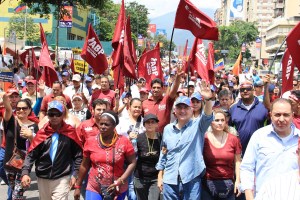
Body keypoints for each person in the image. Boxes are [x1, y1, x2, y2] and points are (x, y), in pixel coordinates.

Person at [156, 81, 214, 199]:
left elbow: (207, 116)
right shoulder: (167, 129)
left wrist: (208, 100)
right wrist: (160, 176)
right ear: (174, 111)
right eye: (179, 108)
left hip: (191, 177)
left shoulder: (198, 126)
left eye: (186, 108)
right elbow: (164, 153)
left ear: (191, 110)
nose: (182, 111)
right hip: (170, 179)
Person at [21, 100, 83, 200]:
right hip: (43, 177)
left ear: (63, 115)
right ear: (48, 115)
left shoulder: (70, 132)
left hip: (62, 177)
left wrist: (75, 174)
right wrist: (25, 173)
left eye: (57, 114)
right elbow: (31, 154)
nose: (54, 117)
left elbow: (78, 155)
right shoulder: (42, 133)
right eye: (51, 114)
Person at [239, 98, 300, 198]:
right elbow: (247, 168)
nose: (281, 119)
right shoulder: (259, 136)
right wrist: (249, 196)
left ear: (292, 116)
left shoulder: (299, 140)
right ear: (271, 115)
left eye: (286, 115)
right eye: (277, 115)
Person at [74, 111, 137, 200]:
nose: (103, 127)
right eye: (101, 124)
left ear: (114, 126)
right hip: (94, 187)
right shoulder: (91, 141)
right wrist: (78, 186)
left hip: (117, 188)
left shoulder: (124, 141)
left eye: (106, 125)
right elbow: (84, 165)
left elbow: (133, 162)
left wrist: (121, 180)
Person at [2, 95, 39, 200]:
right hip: (9, 163)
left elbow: (36, 146)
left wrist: (30, 136)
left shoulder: (35, 126)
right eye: (18, 108)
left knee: (17, 194)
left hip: (25, 164)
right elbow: (8, 108)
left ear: (29, 110)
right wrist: (5, 97)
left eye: (24, 108)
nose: (21, 110)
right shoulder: (10, 121)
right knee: (14, 190)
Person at [202, 109, 242, 200]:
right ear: (211, 122)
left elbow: (238, 162)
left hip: (228, 183)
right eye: (216, 120)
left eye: (222, 120)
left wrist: (238, 180)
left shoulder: (233, 139)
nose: (220, 123)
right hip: (207, 183)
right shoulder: (204, 139)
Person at [229, 80, 268, 155]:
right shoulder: (233, 109)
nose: (245, 91)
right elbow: (229, 129)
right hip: (239, 152)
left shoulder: (263, 107)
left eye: (248, 89)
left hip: (259, 150)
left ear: (253, 90)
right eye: (242, 90)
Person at [116, 98, 144, 200]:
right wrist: (128, 138)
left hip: (138, 159)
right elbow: (115, 139)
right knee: (121, 185)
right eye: (135, 107)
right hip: (122, 159)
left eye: (139, 107)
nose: (137, 109)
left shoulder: (144, 122)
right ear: (129, 107)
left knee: (133, 187)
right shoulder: (121, 121)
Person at [134, 114, 161, 200]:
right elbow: (132, 156)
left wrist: (161, 177)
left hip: (155, 178)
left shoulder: (161, 138)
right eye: (148, 122)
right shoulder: (139, 138)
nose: (150, 124)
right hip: (140, 178)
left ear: (157, 124)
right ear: (144, 125)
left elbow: (164, 159)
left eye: (153, 122)